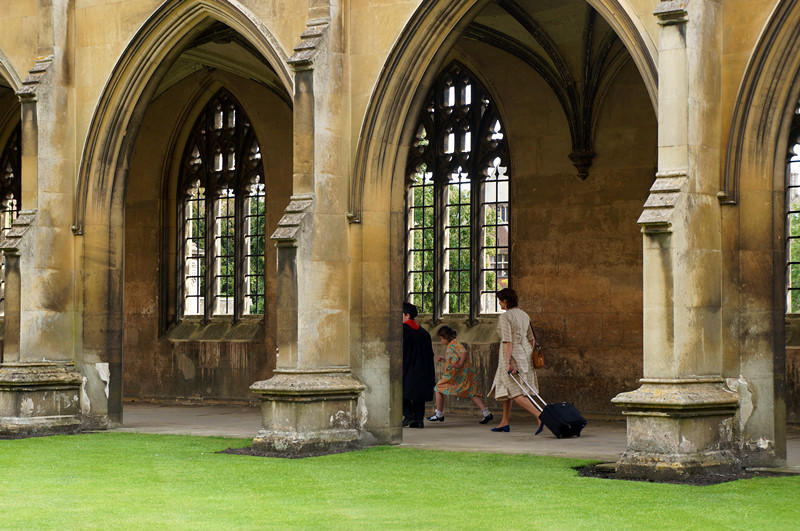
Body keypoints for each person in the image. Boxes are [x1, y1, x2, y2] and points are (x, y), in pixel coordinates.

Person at [489, 288, 542, 433]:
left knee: (516, 391)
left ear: (505, 301)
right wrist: (526, 355)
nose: (499, 304)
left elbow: (507, 341)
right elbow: (531, 339)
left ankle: (540, 416)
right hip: (525, 353)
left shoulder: (505, 317)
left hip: (510, 355)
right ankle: (504, 422)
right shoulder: (524, 315)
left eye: (500, 301)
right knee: (506, 387)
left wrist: (507, 363)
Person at [427, 325, 493, 424]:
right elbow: (455, 358)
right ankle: (486, 413)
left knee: (438, 388)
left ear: (446, 337)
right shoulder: (453, 344)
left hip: (458, 375)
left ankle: (439, 414)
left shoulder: (454, 344)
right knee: (471, 392)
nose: (441, 341)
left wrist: (460, 364)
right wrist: (445, 360)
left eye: (441, 338)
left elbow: (463, 352)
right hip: (464, 374)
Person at [402, 302, 435, 428]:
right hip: (423, 369)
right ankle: (418, 420)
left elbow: (402, 351)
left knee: (401, 392)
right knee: (418, 396)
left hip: (409, 367)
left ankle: (409, 416)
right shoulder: (424, 333)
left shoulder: (403, 330)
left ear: (407, 315)